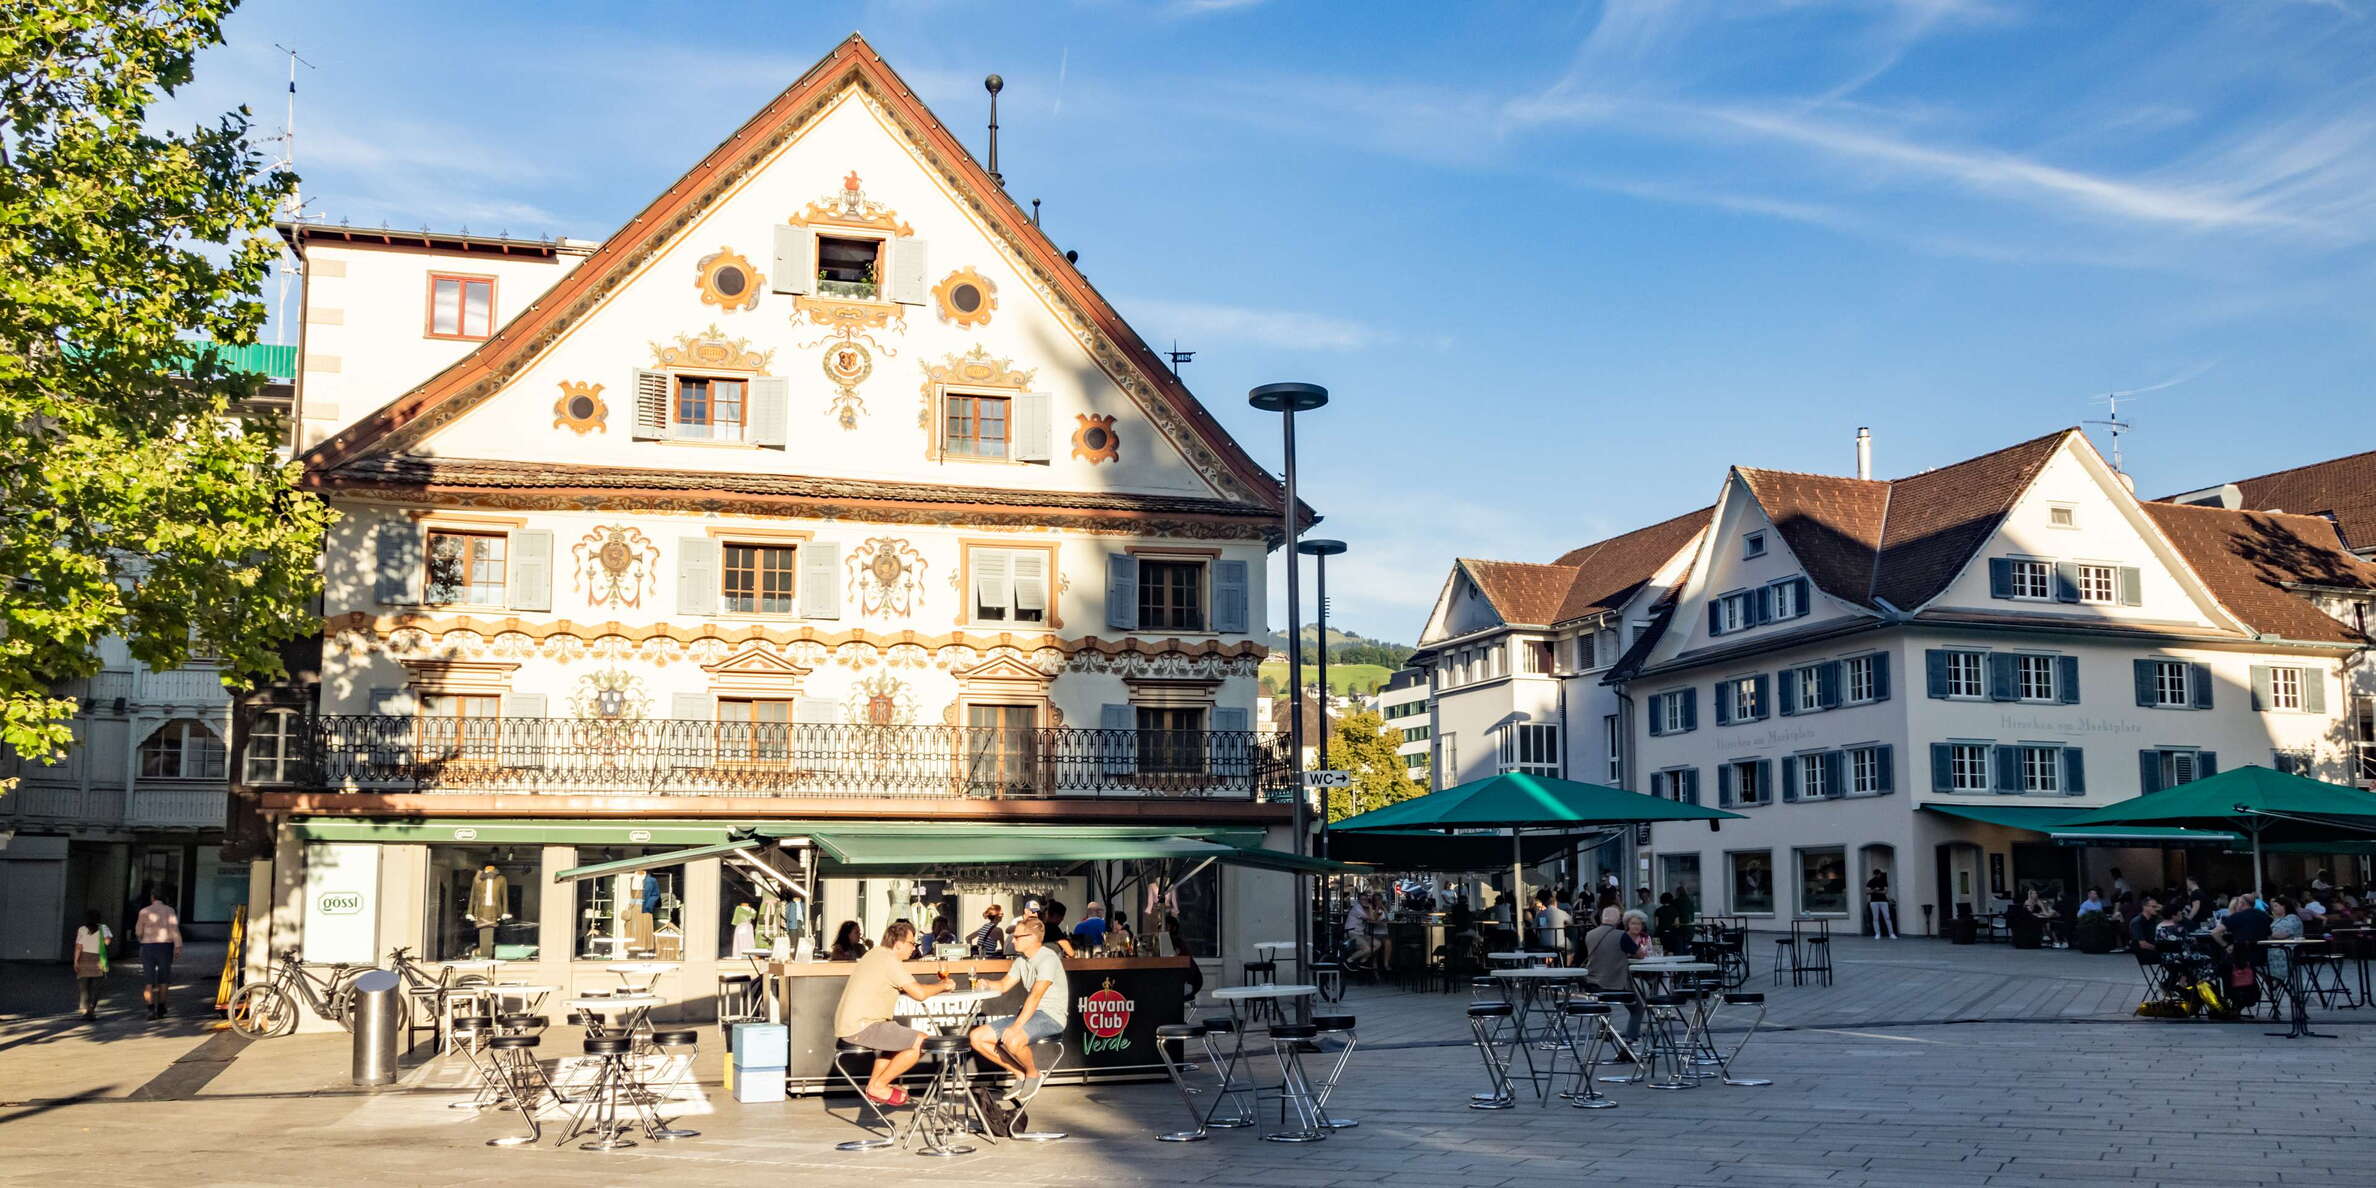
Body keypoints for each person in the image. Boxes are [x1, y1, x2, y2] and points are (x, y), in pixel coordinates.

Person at [831, 922, 961, 1106]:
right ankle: (879, 1086)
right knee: (922, 1041)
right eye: (912, 943)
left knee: (898, 1041)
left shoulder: (875, 953)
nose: (914, 948)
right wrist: (943, 985)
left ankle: (875, 1087)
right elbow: (919, 994)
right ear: (898, 944)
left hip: (855, 1023)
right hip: (863, 1024)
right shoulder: (890, 961)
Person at [968, 915, 1070, 1104]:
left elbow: (1035, 996)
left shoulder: (1048, 958)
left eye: (1017, 937)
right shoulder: (1022, 959)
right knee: (977, 1037)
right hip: (1031, 1013)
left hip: (1051, 1016)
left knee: (1013, 1039)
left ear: (1031, 938)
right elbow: (1005, 985)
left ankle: (1033, 1074)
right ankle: (1020, 1074)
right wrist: (987, 983)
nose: (1012, 940)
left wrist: (1016, 1027)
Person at [1580, 906, 1641, 1052]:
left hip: (1593, 983)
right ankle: (1629, 1040)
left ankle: (1605, 1028)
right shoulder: (1621, 935)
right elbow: (1639, 954)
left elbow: (1580, 956)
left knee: (1603, 1003)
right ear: (1618, 920)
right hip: (1616, 984)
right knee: (1638, 1008)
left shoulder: (1589, 934)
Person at [135, 891, 181, 1019]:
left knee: (148, 981)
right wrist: (178, 946)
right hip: (165, 947)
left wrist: (142, 939)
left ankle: (150, 1009)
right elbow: (174, 929)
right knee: (164, 979)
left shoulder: (144, 911)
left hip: (148, 947)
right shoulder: (170, 910)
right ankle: (161, 1007)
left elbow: (138, 931)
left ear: (152, 898)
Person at [72, 910, 111, 1021]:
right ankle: (92, 1009)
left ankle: (85, 1011)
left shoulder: (82, 929)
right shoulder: (104, 928)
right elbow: (107, 942)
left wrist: (75, 961)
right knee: (96, 987)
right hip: (98, 959)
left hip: (84, 958)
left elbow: (78, 946)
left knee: (84, 987)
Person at [1343, 890, 1376, 970]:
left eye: (1366, 899)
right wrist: (1370, 906)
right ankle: (1348, 961)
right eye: (1362, 899)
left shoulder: (1365, 908)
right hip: (1351, 932)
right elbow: (1372, 918)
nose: (1364, 901)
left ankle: (1362, 961)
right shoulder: (1357, 908)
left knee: (1377, 944)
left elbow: (1373, 918)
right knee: (1367, 948)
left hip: (1360, 934)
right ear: (1359, 900)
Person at [1533, 891, 1572, 957]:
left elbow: (1539, 927)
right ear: (1555, 903)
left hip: (1544, 942)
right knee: (1572, 947)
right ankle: (1567, 965)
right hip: (1560, 943)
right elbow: (1571, 922)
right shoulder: (1562, 912)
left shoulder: (1541, 914)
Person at [1866, 869, 1899, 939]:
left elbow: (1885, 892)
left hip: (1883, 901)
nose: (1877, 875)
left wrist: (1875, 891)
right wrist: (1874, 890)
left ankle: (1891, 934)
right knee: (1875, 918)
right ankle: (1877, 934)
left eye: (1878, 874)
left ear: (1880, 874)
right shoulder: (1871, 881)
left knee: (1887, 917)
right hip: (1873, 902)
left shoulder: (1884, 881)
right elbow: (1867, 892)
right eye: (1876, 874)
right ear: (1874, 874)